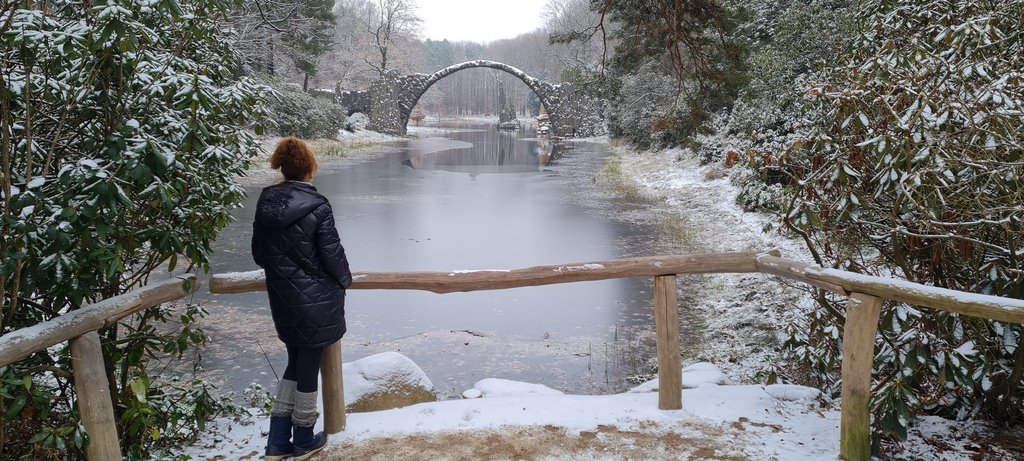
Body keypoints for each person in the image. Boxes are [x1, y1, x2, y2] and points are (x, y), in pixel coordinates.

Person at [252, 137, 352, 461]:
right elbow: (332, 255)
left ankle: (278, 442)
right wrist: (345, 280)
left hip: (282, 299)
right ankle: (304, 440)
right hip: (316, 302)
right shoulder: (318, 206)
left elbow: (258, 254)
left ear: (283, 169)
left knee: (295, 363)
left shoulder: (265, 203)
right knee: (307, 367)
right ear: (310, 170)